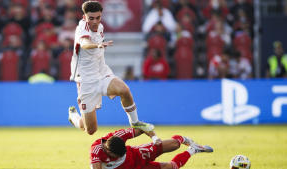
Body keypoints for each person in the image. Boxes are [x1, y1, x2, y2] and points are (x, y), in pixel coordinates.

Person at [68, 1, 154, 135]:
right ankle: (73, 117)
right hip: (86, 81)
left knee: (124, 90)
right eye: (91, 18)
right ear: (85, 18)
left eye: (98, 17)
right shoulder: (82, 28)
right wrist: (97, 45)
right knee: (90, 129)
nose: (95, 22)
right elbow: (84, 43)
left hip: (102, 74)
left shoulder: (100, 27)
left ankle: (135, 122)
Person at [86, 125, 213, 169]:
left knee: (174, 144)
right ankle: (194, 149)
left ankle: (187, 140)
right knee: (172, 167)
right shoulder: (96, 152)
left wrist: (154, 137)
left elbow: (143, 127)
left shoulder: (119, 135)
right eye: (117, 156)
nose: (120, 157)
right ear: (108, 151)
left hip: (136, 154)